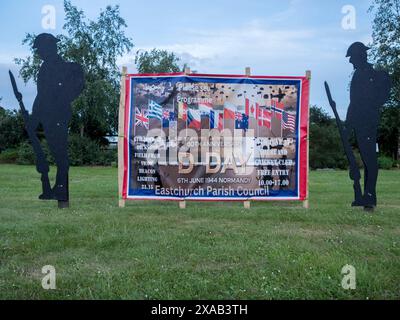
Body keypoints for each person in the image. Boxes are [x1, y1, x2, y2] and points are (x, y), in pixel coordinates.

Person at [29, 33, 84, 204]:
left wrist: (38, 114)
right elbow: (41, 95)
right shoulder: (46, 67)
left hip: (57, 115)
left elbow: (51, 94)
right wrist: (33, 116)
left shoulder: (60, 68)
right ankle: (58, 190)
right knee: (57, 152)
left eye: (40, 49)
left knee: (60, 154)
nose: (39, 53)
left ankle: (61, 191)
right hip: (48, 115)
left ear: (49, 47)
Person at [345, 42, 391, 209]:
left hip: (367, 122)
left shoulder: (367, 75)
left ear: (360, 56)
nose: (350, 61)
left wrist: (349, 123)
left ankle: (370, 197)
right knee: (366, 159)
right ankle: (365, 197)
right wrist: (348, 123)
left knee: (370, 160)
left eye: (352, 58)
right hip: (360, 122)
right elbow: (354, 102)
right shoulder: (360, 74)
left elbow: (358, 102)